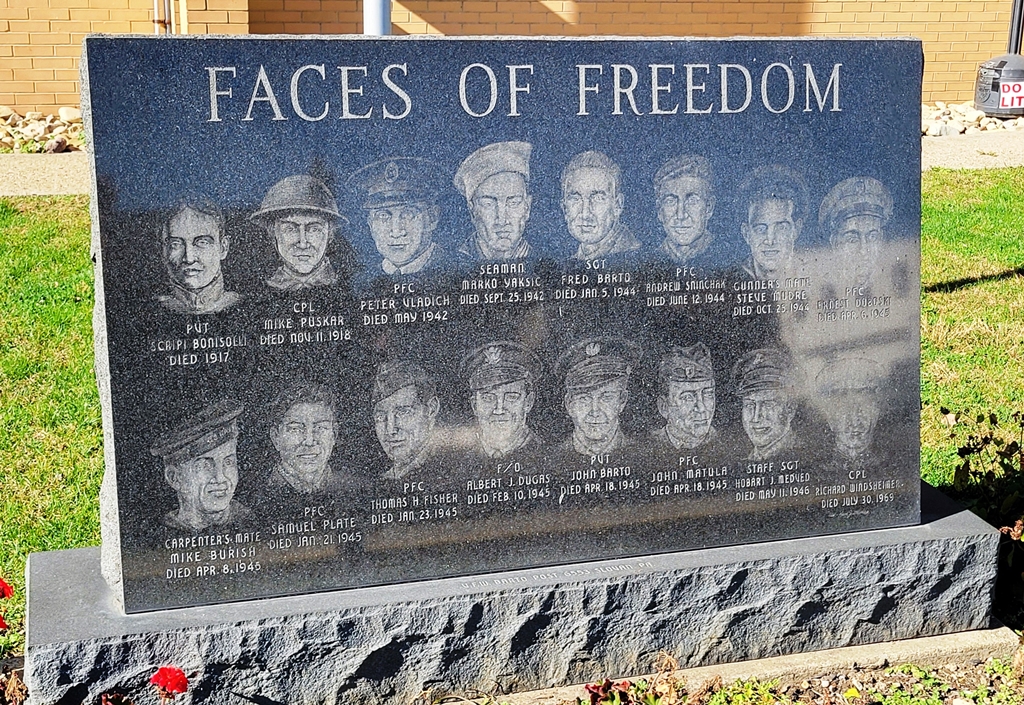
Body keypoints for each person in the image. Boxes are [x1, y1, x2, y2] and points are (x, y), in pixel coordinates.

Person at [150, 400, 250, 531]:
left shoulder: (252, 521)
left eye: (228, 462)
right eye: (205, 466)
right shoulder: (158, 533)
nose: (220, 478)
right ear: (174, 478)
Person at [347, 157, 444, 276]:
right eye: (383, 216)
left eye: (408, 214)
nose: (396, 232)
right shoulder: (363, 279)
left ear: (432, 218)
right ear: (370, 224)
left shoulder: (455, 267)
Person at [252, 175, 348, 290]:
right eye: (290, 229)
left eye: (314, 230)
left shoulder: (349, 286)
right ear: (274, 234)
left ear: (330, 234)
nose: (303, 244)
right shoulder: (258, 290)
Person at [556, 337, 641, 456]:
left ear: (622, 401)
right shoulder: (553, 455)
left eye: (606, 398)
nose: (595, 411)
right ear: (569, 404)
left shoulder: (642, 452)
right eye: (584, 398)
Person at [156, 196, 241, 315]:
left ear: (223, 247)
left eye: (202, 243)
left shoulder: (248, 304)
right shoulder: (149, 309)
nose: (189, 258)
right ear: (163, 250)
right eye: (176, 244)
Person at [453, 141, 533, 261]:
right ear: (472, 210)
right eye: (488, 204)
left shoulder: (545, 260)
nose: (502, 221)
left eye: (513, 203)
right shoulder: (455, 260)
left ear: (527, 207)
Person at [461, 341, 543, 459]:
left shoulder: (547, 453)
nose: (499, 410)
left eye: (511, 397)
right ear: (474, 405)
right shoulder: (460, 459)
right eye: (488, 398)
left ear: (528, 402)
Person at [561, 150, 640, 260]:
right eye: (576, 199)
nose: (585, 213)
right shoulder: (573, 262)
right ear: (564, 208)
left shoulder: (633, 254)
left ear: (618, 205)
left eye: (598, 198)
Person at [819, 176, 893, 291]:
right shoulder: (824, 288)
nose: (863, 251)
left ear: (882, 239)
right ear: (835, 243)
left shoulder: (893, 282)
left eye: (873, 237)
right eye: (852, 240)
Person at [653, 155, 728, 268]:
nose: (681, 215)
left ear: (709, 207)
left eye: (692, 201)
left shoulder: (725, 256)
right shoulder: (647, 259)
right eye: (670, 201)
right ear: (659, 210)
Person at [372, 360, 441, 480]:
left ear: (431, 409)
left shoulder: (451, 468)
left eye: (403, 412)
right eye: (380, 417)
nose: (390, 430)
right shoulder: (384, 480)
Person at [267, 382, 341, 494]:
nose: (309, 441)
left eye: (320, 428)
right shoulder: (255, 494)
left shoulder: (358, 490)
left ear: (334, 434)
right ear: (276, 437)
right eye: (296, 429)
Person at [738, 166, 808, 279]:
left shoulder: (816, 274)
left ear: (796, 229)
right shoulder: (727, 279)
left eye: (781, 228)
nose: (770, 241)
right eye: (760, 229)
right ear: (746, 233)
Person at [732, 348, 801, 461]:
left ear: (790, 409)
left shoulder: (806, 454)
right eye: (750, 405)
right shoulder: (741, 460)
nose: (756, 417)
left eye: (768, 405)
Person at [816, 357, 885, 467]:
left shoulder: (895, 463)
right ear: (829, 418)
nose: (854, 422)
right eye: (845, 412)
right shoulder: (816, 467)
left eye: (862, 412)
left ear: (876, 415)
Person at [651, 343, 719, 451]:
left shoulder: (725, 442)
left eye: (708, 395)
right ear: (664, 407)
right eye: (688, 398)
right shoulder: (647, 444)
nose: (701, 408)